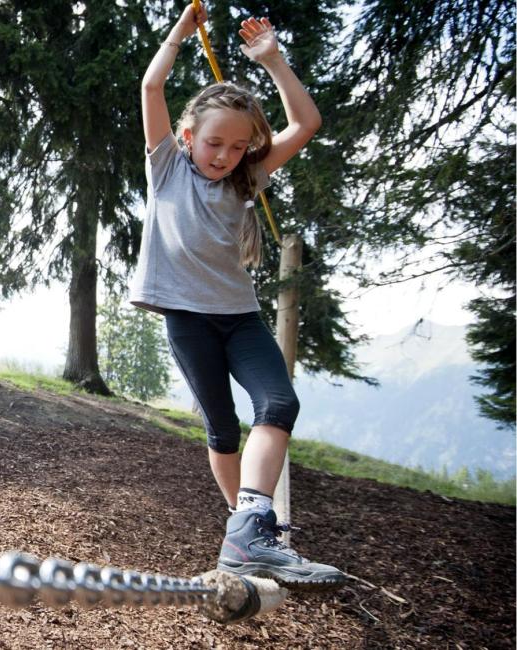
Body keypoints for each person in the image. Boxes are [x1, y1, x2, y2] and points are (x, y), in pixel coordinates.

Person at [131, 5, 345, 589]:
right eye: (214, 143)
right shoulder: (166, 168)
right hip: (189, 321)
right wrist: (179, 32)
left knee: (279, 406)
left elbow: (305, 124)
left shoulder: (248, 177)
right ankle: (245, 531)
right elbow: (153, 85)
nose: (223, 155)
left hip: (240, 319)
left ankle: (251, 526)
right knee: (222, 429)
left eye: (236, 146)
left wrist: (272, 60)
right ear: (187, 138)